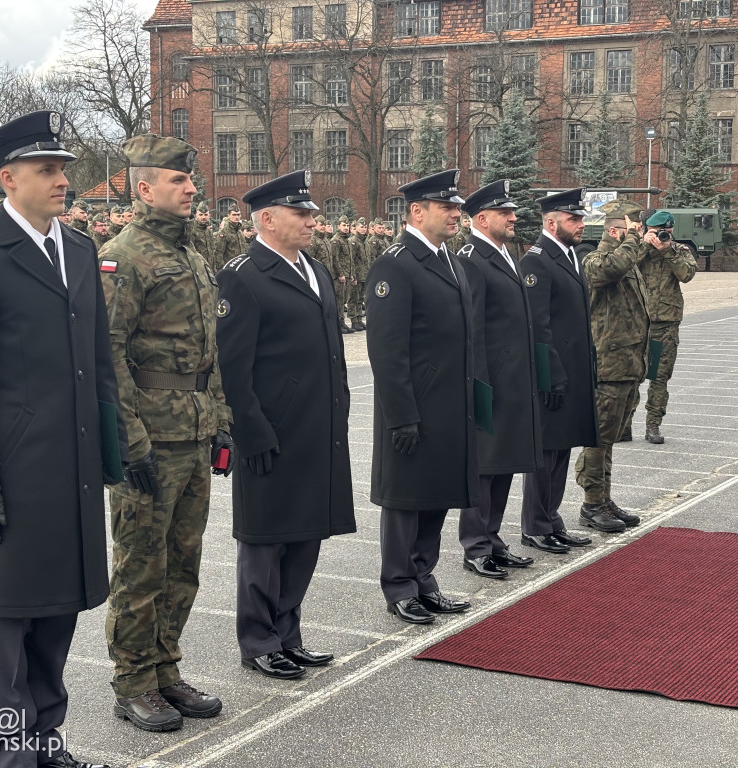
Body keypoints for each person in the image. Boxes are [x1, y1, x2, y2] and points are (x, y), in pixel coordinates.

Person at [0, 110, 124, 768]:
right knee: (12, 623)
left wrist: (111, 448)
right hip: (13, 475)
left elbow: (96, 362)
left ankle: (47, 742)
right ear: (9, 179)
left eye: (64, 168)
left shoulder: (77, 248)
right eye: (48, 170)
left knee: (60, 612)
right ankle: (11, 756)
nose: (62, 180)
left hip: (70, 469)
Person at [99, 134, 231, 731]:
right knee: (139, 565)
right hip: (149, 439)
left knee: (184, 562)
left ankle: (165, 669)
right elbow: (110, 356)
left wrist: (221, 424)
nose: (192, 189)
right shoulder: (122, 257)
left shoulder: (194, 257)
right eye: (179, 182)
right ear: (143, 187)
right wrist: (129, 441)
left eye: (191, 180)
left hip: (194, 432)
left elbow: (211, 355)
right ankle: (132, 681)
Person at [215, 170, 355, 679]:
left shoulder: (314, 269)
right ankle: (258, 639)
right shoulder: (243, 274)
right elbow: (233, 365)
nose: (311, 221)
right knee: (265, 541)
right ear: (268, 219)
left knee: (305, 535)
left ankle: (288, 633)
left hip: (317, 429)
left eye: (311, 213)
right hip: (271, 432)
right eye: (301, 214)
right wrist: (249, 431)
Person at [366, 169, 478, 625]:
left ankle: (424, 579)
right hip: (414, 406)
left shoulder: (448, 258)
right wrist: (401, 416)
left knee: (436, 496)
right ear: (417, 211)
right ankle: (399, 585)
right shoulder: (396, 263)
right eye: (447, 207)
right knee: (406, 500)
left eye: (457, 207)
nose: (456, 214)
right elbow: (387, 349)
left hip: (448, 403)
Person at [455, 180, 538, 577]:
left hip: (514, 379)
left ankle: (494, 538)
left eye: (513, 212)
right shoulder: (472, 258)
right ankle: (476, 545)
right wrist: (480, 385)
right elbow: (473, 330)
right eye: (506, 213)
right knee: (485, 465)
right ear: (482, 218)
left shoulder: (505, 253)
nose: (514, 218)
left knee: (504, 461)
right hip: (491, 382)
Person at [518, 189, 597, 554]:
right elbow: (538, 325)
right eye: (573, 219)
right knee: (547, 452)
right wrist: (549, 375)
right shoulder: (537, 260)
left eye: (580, 218)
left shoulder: (569, 255)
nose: (581, 225)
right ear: (552, 222)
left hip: (573, 371)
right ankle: (536, 524)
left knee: (562, 449)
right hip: (553, 375)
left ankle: (551, 520)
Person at [574, 199, 653, 533]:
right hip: (608, 365)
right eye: (635, 228)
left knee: (610, 438)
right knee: (598, 437)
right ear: (617, 230)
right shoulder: (595, 259)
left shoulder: (628, 258)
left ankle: (604, 498)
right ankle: (591, 503)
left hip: (629, 363)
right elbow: (609, 269)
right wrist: (632, 240)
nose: (640, 234)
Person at [631, 210, 697, 444]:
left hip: (664, 324)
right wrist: (645, 245)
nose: (663, 234)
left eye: (668, 231)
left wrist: (667, 251)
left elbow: (687, 274)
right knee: (629, 375)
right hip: (635, 322)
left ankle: (653, 426)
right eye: (659, 231)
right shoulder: (635, 249)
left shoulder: (678, 250)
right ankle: (622, 425)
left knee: (659, 377)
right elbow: (620, 266)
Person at [329, 215, 353, 332]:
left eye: (347, 225)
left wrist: (351, 274)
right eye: (344, 225)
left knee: (343, 300)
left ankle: (342, 322)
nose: (346, 227)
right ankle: (338, 323)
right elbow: (335, 258)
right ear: (338, 226)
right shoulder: (336, 240)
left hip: (347, 274)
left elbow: (350, 259)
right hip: (339, 276)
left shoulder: (346, 240)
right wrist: (340, 274)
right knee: (339, 299)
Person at [189, 201, 218, 271]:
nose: (203, 217)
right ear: (196, 215)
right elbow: (190, 253)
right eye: (201, 215)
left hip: (210, 269)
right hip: (198, 269)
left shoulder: (209, 231)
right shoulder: (191, 230)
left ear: (209, 215)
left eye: (205, 215)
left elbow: (212, 251)